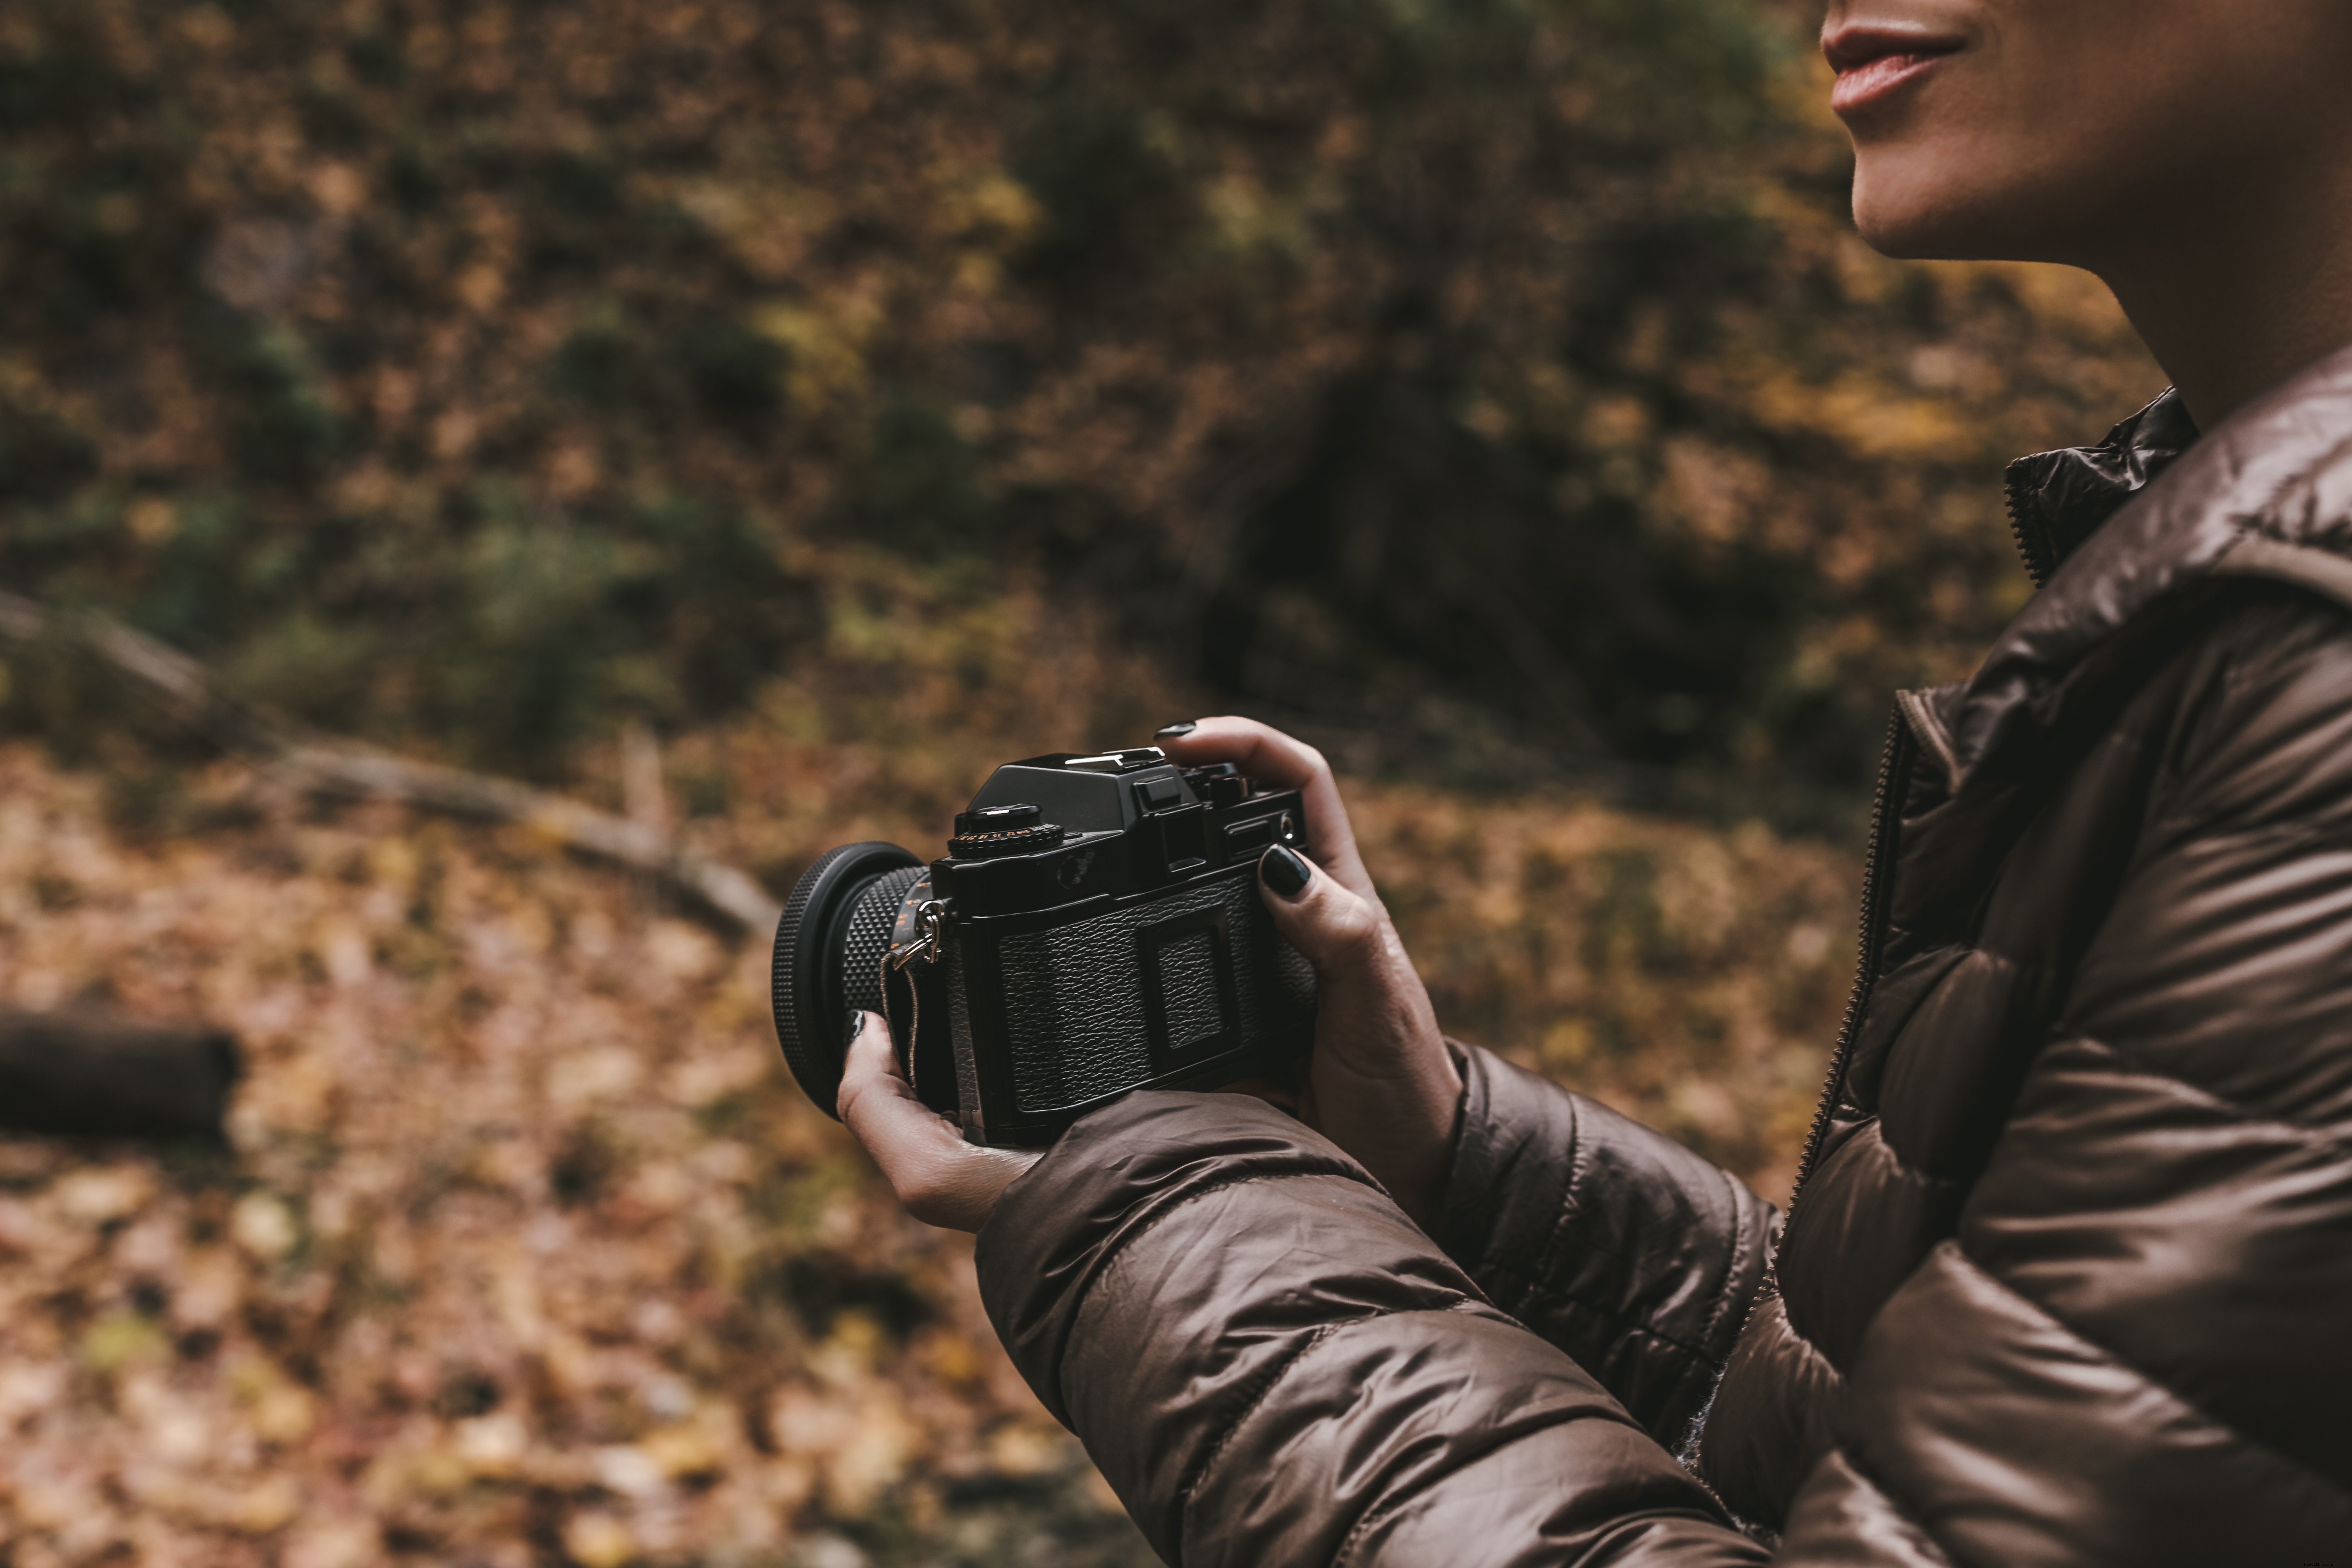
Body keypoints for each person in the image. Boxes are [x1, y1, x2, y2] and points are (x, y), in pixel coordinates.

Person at [835, 1, 2352, 1560]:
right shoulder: (2244, 593)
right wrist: (1444, 1171)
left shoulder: (2318, 665)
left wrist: (1169, 1202)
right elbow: (1881, 1451)